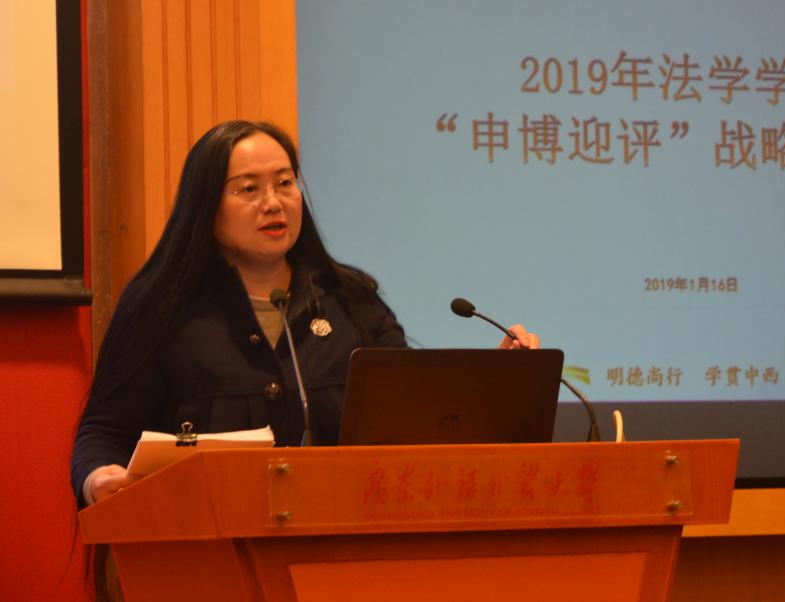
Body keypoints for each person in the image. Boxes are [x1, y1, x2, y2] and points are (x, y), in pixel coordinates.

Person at [71, 120, 538, 507]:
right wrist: (98, 479)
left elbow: (416, 415)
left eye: (285, 182)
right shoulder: (161, 307)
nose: (273, 202)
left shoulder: (350, 299)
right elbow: (104, 432)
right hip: (208, 550)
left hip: (345, 547)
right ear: (206, 205)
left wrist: (493, 381)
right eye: (248, 189)